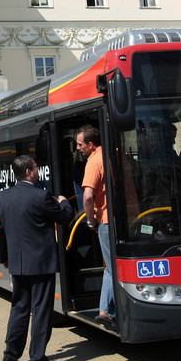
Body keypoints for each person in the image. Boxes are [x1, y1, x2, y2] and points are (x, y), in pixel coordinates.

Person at [0, 155, 73, 361]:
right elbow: (65, 216)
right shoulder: (41, 196)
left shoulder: (4, 197)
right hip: (41, 265)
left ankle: (10, 356)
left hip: (18, 265)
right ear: (29, 172)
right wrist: (64, 201)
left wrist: (4, 258)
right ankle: (38, 360)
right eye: (37, 168)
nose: (39, 171)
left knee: (19, 308)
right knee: (41, 311)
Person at [79, 124, 115, 329]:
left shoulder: (93, 162)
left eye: (80, 144)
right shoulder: (112, 153)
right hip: (121, 218)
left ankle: (105, 311)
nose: (77, 148)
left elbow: (88, 196)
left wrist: (90, 220)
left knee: (111, 267)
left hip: (106, 220)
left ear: (91, 145)